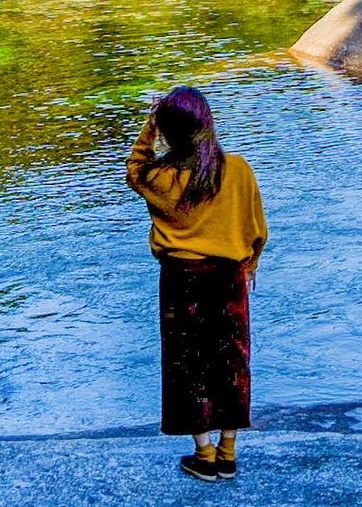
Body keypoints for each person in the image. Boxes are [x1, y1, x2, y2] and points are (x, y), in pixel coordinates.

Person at [126, 86, 268, 483]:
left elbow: (134, 169)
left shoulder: (160, 177)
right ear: (207, 124)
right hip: (228, 279)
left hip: (180, 280)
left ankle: (203, 455)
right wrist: (249, 263)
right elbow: (257, 229)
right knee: (232, 361)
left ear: (168, 132)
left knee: (187, 366)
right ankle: (228, 451)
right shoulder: (237, 169)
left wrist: (150, 126)